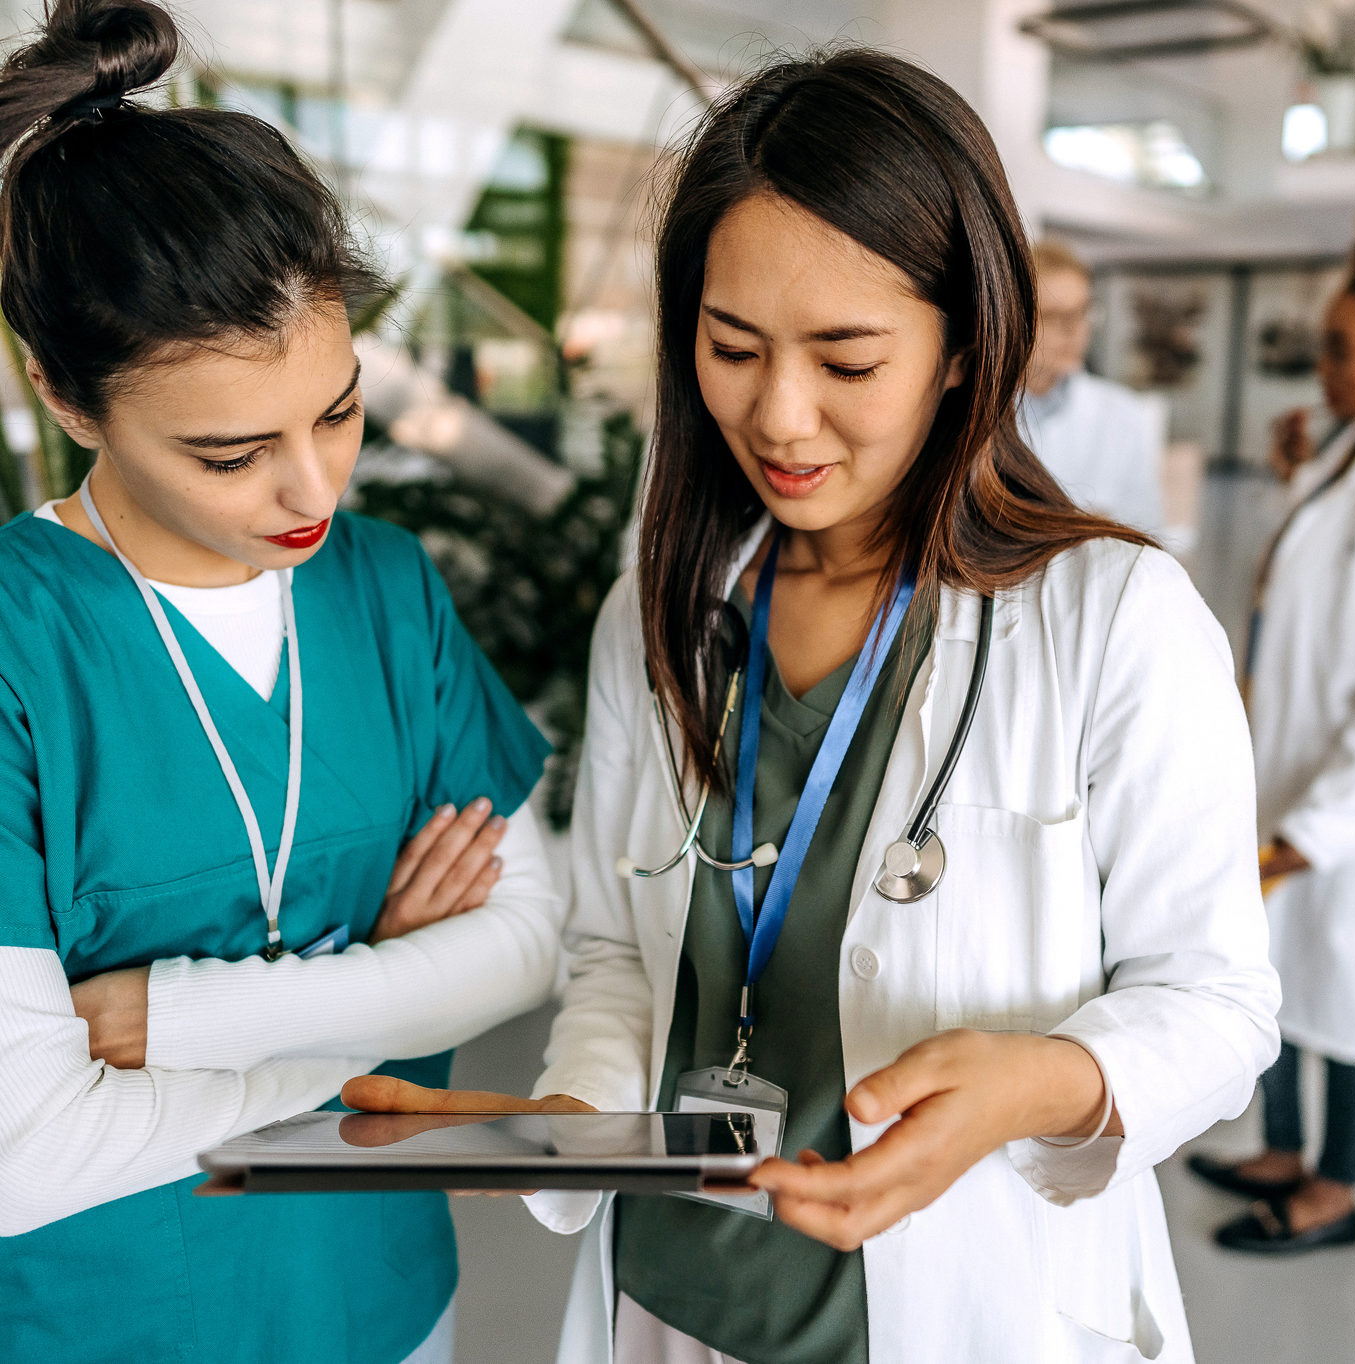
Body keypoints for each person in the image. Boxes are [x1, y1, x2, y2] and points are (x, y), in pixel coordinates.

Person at [346, 49, 1280, 1363]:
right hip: (672, 1292)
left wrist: (1042, 1082)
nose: (780, 416)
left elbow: (1220, 1005)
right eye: (732, 348)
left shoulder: (1113, 619)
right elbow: (622, 951)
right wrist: (570, 1115)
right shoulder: (662, 611)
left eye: (848, 359)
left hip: (966, 1298)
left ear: (967, 346)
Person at [0, 3, 564, 1361]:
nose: (315, 489)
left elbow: (532, 940)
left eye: (338, 409)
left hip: (387, 1302)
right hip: (109, 1321)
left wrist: (174, 1019)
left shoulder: (384, 586)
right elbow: (22, 1153)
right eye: (229, 452)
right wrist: (393, 988)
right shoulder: (23, 649)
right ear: (66, 399)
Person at [1188, 259, 1355, 1255]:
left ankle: (1334, 1186)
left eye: (1338, 351)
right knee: (1285, 972)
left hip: (1335, 807)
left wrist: (1310, 829)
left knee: (1343, 999)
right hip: (1289, 772)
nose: (1322, 369)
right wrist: (1293, 473)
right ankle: (1282, 1147)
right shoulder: (1343, 455)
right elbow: (1299, 600)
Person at [1020, 240, 1169, 540]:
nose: (1074, 330)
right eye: (1054, 315)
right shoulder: (971, 410)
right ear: (1016, 318)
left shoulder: (1125, 415)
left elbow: (1149, 535)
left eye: (1082, 312)